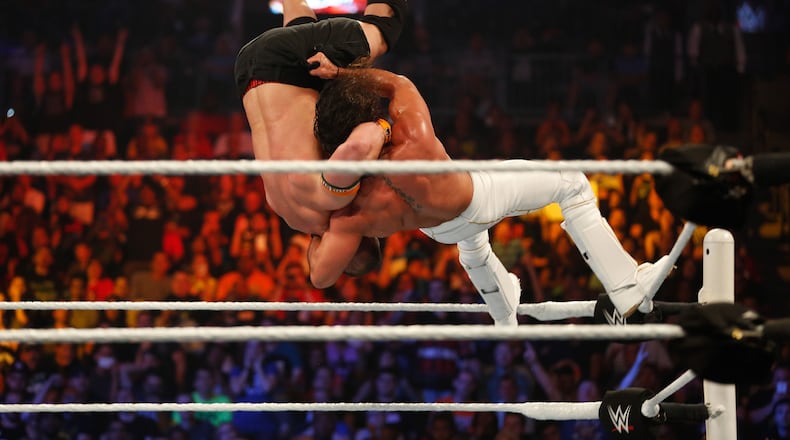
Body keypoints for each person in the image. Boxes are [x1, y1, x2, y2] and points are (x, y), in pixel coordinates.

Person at [307, 64, 674, 322]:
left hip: (436, 229)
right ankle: (626, 284)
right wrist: (343, 75)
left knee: (472, 237)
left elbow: (320, 277)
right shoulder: (412, 137)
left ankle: (503, 308)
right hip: (472, 202)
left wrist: (313, 234)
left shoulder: (350, 207)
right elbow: (397, 83)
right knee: (572, 182)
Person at [234, 0, 407, 235]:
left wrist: (386, 128)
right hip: (249, 68)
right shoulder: (283, 209)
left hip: (283, 59)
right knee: (310, 55)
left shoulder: (328, 200)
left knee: (382, 31)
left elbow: (359, 145)